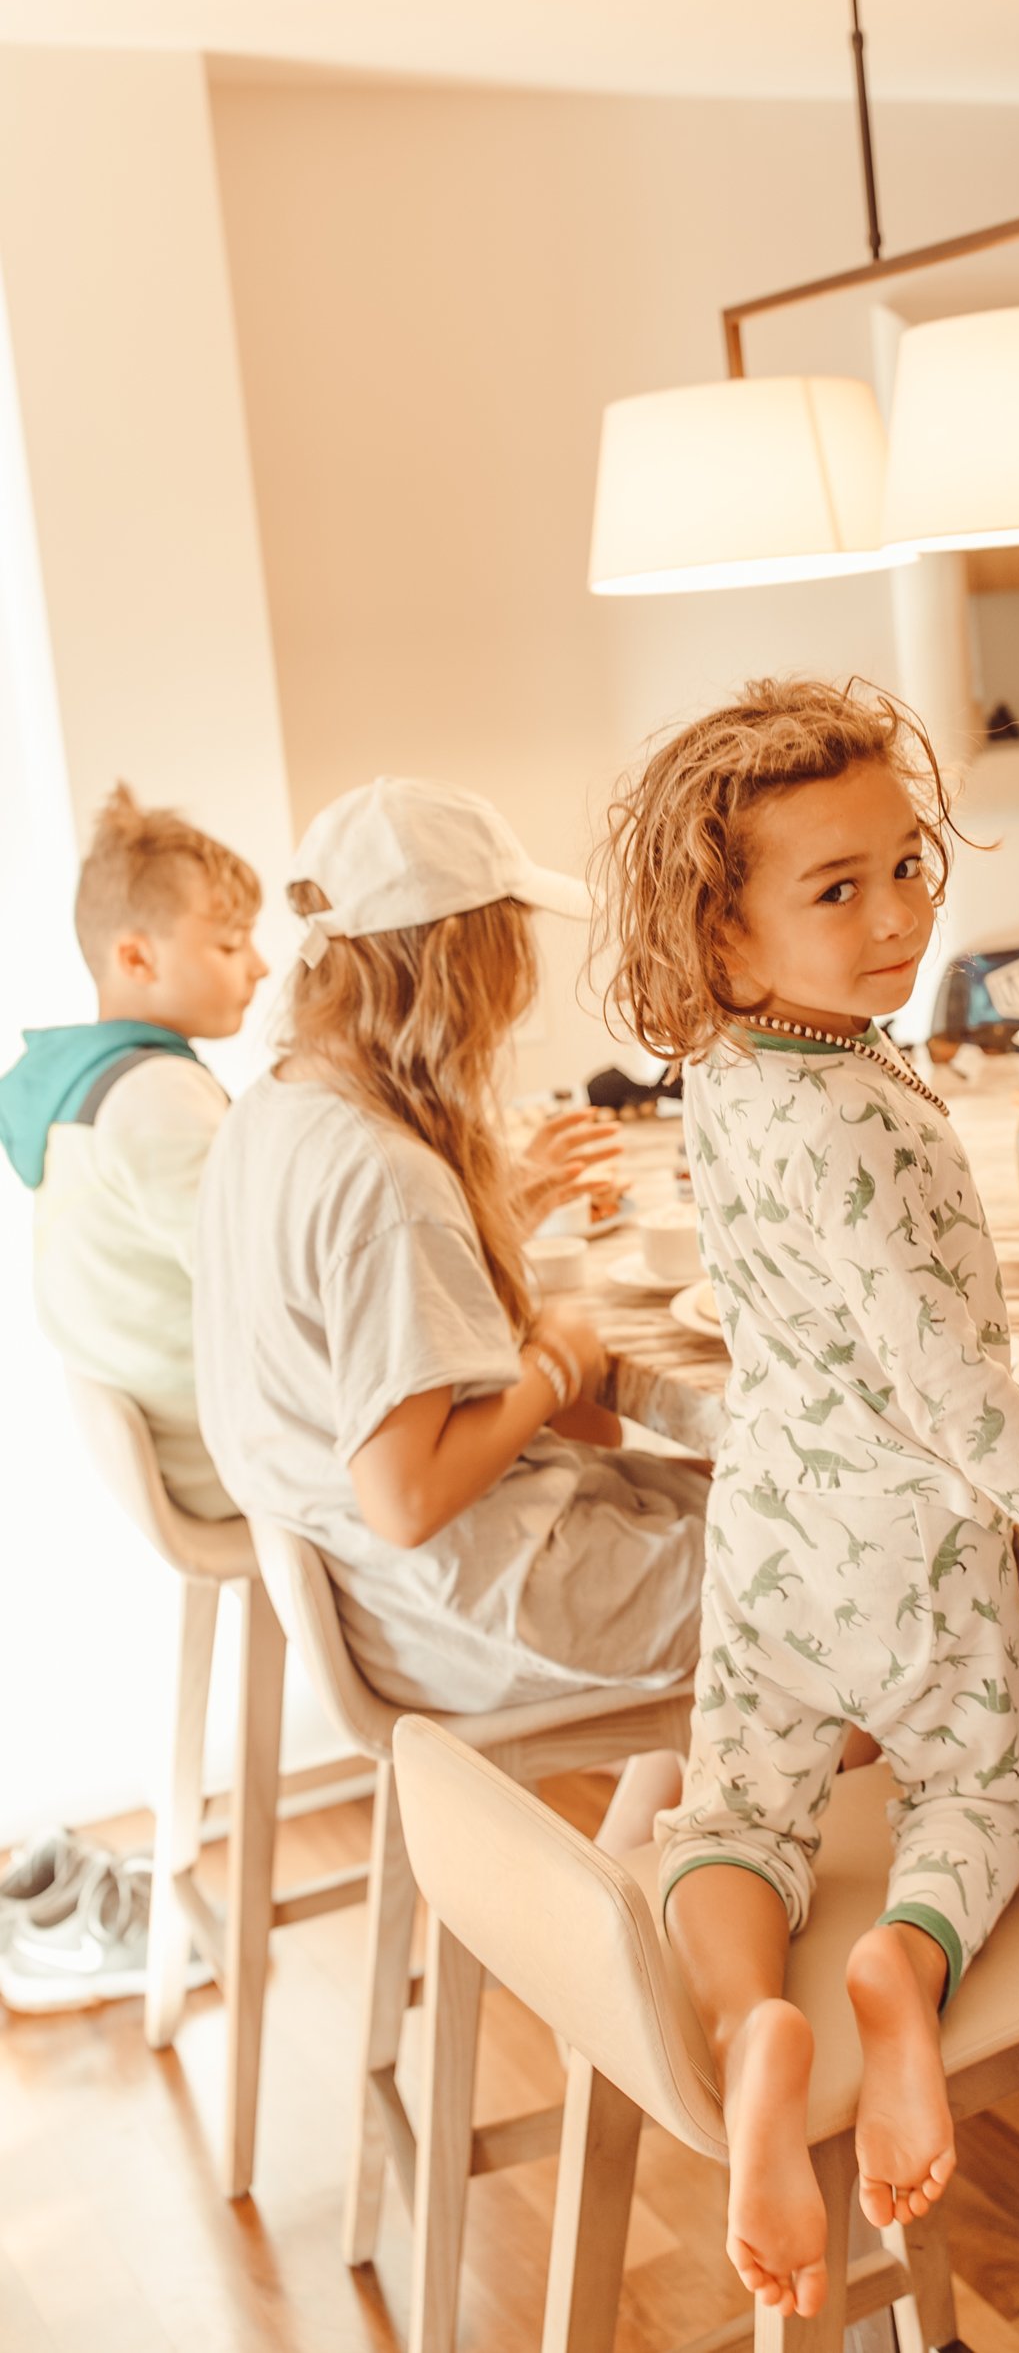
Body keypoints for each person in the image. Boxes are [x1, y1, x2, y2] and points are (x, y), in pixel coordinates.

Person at [596, 679, 1019, 2317]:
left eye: (908, 865)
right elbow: (958, 1393)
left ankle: (753, 2027)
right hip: (906, 1542)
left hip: (770, 1526)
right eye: (838, 890)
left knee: (734, 1814)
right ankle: (902, 1966)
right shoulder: (863, 1124)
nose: (897, 916)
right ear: (727, 938)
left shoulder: (731, 1072)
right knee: (976, 1794)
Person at [193, 779, 708, 1843]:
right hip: (470, 1598)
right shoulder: (388, 1179)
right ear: (459, 961)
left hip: (387, 1600)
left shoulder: (276, 1108)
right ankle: (633, 1947)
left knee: (757, 1511)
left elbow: (347, 1296)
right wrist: (558, 1362)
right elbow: (408, 1494)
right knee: (838, 1572)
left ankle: (617, 1928)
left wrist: (496, 1209)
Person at [0, 784, 267, 1518]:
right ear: (135, 956)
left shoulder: (79, 1088)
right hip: (230, 1456)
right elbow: (264, 1285)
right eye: (230, 943)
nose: (261, 966)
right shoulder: (157, 1094)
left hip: (179, 1443)